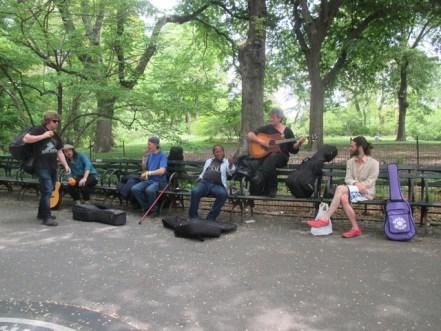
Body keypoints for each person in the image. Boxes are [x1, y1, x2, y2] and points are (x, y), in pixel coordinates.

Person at [307, 136, 379, 238]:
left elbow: (371, 181)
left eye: (352, 146)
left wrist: (361, 186)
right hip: (353, 190)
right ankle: (355, 229)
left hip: (366, 192)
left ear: (360, 147)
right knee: (343, 197)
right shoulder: (350, 162)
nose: (350, 148)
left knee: (340, 188)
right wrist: (356, 184)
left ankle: (325, 218)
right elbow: (348, 179)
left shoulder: (374, 163)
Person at [22, 112, 71, 226]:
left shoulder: (55, 135)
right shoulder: (39, 129)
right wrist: (44, 136)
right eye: (55, 121)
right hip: (41, 166)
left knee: (49, 190)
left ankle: (41, 213)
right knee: (47, 190)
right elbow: (26, 139)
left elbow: (59, 151)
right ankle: (47, 217)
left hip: (52, 167)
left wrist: (66, 165)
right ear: (48, 120)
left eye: (58, 121)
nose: (57, 123)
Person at [247, 107, 305, 197]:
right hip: (267, 157)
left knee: (272, 158)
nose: (270, 119)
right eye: (270, 117)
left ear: (279, 118)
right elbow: (250, 135)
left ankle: (272, 187)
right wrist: (262, 142)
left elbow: (293, 150)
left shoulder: (287, 131)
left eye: (272, 117)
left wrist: (299, 143)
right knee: (265, 161)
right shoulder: (267, 128)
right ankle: (266, 189)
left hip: (282, 157)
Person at [188, 145, 236, 222]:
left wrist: (230, 163)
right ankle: (193, 216)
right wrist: (200, 177)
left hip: (217, 185)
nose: (219, 153)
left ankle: (211, 218)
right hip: (204, 183)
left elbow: (231, 171)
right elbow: (204, 172)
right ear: (214, 153)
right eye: (216, 152)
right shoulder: (209, 161)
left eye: (220, 151)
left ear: (223, 152)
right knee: (195, 191)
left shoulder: (226, 162)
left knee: (223, 194)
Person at [131, 136, 167, 217]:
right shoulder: (150, 155)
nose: (148, 146)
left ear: (155, 145)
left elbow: (162, 171)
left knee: (149, 190)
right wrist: (144, 158)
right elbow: (144, 168)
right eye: (148, 144)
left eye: (149, 144)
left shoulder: (162, 155)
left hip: (159, 181)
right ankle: (147, 208)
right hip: (149, 180)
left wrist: (149, 173)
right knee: (135, 189)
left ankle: (154, 210)